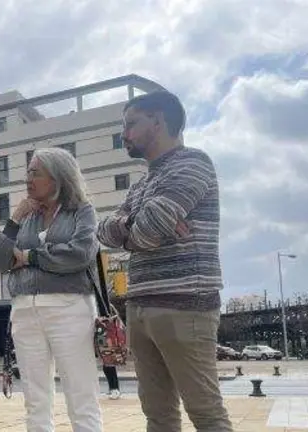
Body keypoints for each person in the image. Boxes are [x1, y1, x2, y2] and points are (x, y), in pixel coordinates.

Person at [96, 90, 232, 431]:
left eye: (131, 124)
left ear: (157, 121)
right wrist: (138, 223)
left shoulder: (193, 163)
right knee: (157, 415)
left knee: (205, 413)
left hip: (185, 305)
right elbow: (104, 232)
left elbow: (147, 232)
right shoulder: (143, 183)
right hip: (140, 306)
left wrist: (136, 226)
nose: (124, 134)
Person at [0, 147, 102, 432]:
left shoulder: (82, 211)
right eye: (27, 172)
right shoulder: (26, 217)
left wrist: (29, 257)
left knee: (81, 396)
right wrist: (14, 219)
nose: (28, 178)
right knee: (35, 401)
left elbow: (79, 254)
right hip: (25, 310)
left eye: (35, 172)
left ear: (57, 177)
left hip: (70, 308)